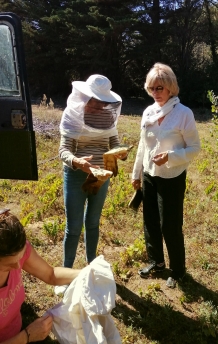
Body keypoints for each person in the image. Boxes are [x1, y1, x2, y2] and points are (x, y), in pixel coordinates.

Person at [131, 63, 201, 288]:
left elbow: (194, 148)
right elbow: (143, 145)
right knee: (150, 221)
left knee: (169, 225)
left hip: (172, 176)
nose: (155, 93)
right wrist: (136, 173)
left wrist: (170, 156)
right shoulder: (149, 112)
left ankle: (178, 270)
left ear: (170, 87)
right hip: (150, 175)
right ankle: (157, 261)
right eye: (151, 88)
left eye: (159, 87)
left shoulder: (183, 114)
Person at [58, 74, 127, 278]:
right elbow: (63, 150)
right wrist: (79, 162)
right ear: (84, 97)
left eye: (102, 104)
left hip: (101, 176)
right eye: (94, 103)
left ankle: (91, 268)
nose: (98, 108)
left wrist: (120, 152)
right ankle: (65, 273)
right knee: (74, 227)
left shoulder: (107, 117)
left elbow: (113, 142)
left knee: (93, 222)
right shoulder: (71, 115)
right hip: (76, 176)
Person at [0, 209, 80, 343]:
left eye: (21, 258)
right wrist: (27, 336)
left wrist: (86, 273)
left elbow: (50, 274)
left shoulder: (15, 251)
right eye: (10, 264)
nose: (19, 267)